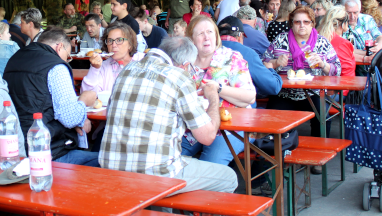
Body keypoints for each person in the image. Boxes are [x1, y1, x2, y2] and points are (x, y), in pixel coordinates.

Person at [99, 37, 238, 195]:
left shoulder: (126, 71)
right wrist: (213, 96)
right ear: (185, 65)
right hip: (155, 177)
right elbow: (207, 136)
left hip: (111, 170)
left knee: (175, 163)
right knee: (230, 177)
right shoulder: (179, 77)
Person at [3, 28, 99, 166]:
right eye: (68, 55)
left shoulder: (14, 59)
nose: (68, 60)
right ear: (59, 46)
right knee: (105, 161)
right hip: (47, 151)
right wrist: (83, 101)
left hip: (16, 147)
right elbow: (70, 118)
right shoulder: (56, 66)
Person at [262, 6, 341, 174]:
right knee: (272, 116)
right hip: (284, 93)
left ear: (312, 23)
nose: (301, 26)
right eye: (297, 22)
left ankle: (317, 156)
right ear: (291, 23)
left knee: (323, 115)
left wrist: (323, 64)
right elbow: (262, 66)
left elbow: (338, 70)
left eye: (306, 22)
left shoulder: (321, 42)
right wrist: (276, 63)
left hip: (312, 93)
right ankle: (280, 155)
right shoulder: (280, 41)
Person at [180, 15, 257, 168]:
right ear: (192, 39)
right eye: (200, 33)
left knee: (209, 166)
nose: (206, 37)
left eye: (210, 32)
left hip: (229, 128)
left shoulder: (231, 58)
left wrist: (219, 89)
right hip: (193, 127)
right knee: (171, 158)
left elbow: (250, 97)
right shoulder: (184, 63)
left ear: (216, 35)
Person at [219, 16, 283, 97]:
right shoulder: (248, 54)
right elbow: (274, 87)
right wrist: (270, 69)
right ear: (239, 36)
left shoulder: (206, 51)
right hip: (242, 107)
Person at [82, 21, 146, 93]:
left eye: (119, 40)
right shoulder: (104, 66)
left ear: (130, 44)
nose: (113, 45)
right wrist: (94, 69)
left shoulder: (144, 62)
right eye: (110, 41)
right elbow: (87, 95)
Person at [341, 0, 382, 74]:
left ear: (360, 10)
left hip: (370, 65)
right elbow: (346, 51)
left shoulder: (366, 19)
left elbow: (380, 38)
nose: (352, 16)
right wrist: (367, 54)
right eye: (348, 13)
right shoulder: (339, 24)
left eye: (355, 12)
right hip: (351, 67)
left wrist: (378, 46)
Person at [317, 5, 356, 96]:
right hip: (337, 94)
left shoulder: (317, 37)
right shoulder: (342, 43)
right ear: (343, 24)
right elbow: (347, 75)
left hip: (315, 92)